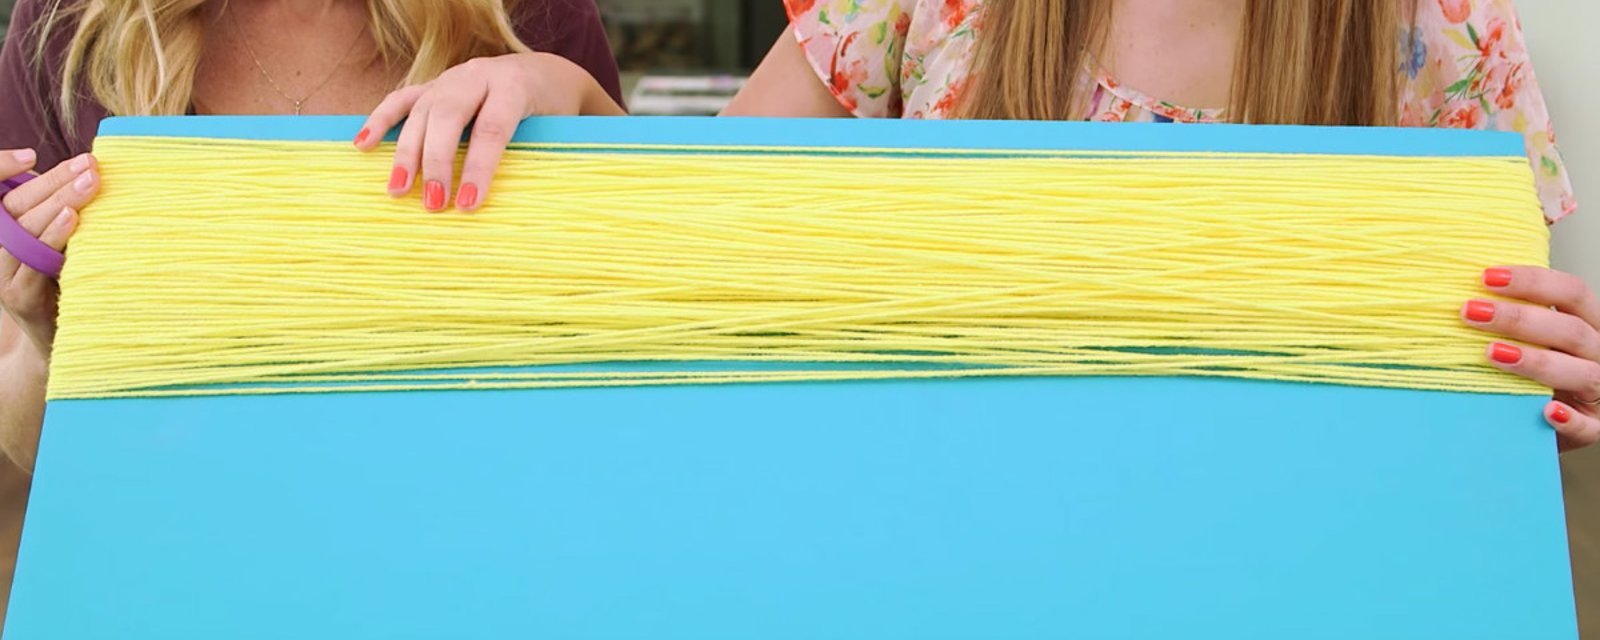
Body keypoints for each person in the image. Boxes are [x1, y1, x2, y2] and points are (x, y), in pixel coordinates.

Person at [371, 0, 1598, 453]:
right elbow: (680, 228)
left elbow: (1505, 396)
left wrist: (1553, 379)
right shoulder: (921, 7)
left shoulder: (1443, 37)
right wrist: (550, 90)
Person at [0, 0, 625, 621]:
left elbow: (646, 347)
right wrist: (52, 337)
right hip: (178, 567)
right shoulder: (71, 21)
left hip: (479, 561)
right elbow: (32, 445)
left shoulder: (530, 16)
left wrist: (570, 91)